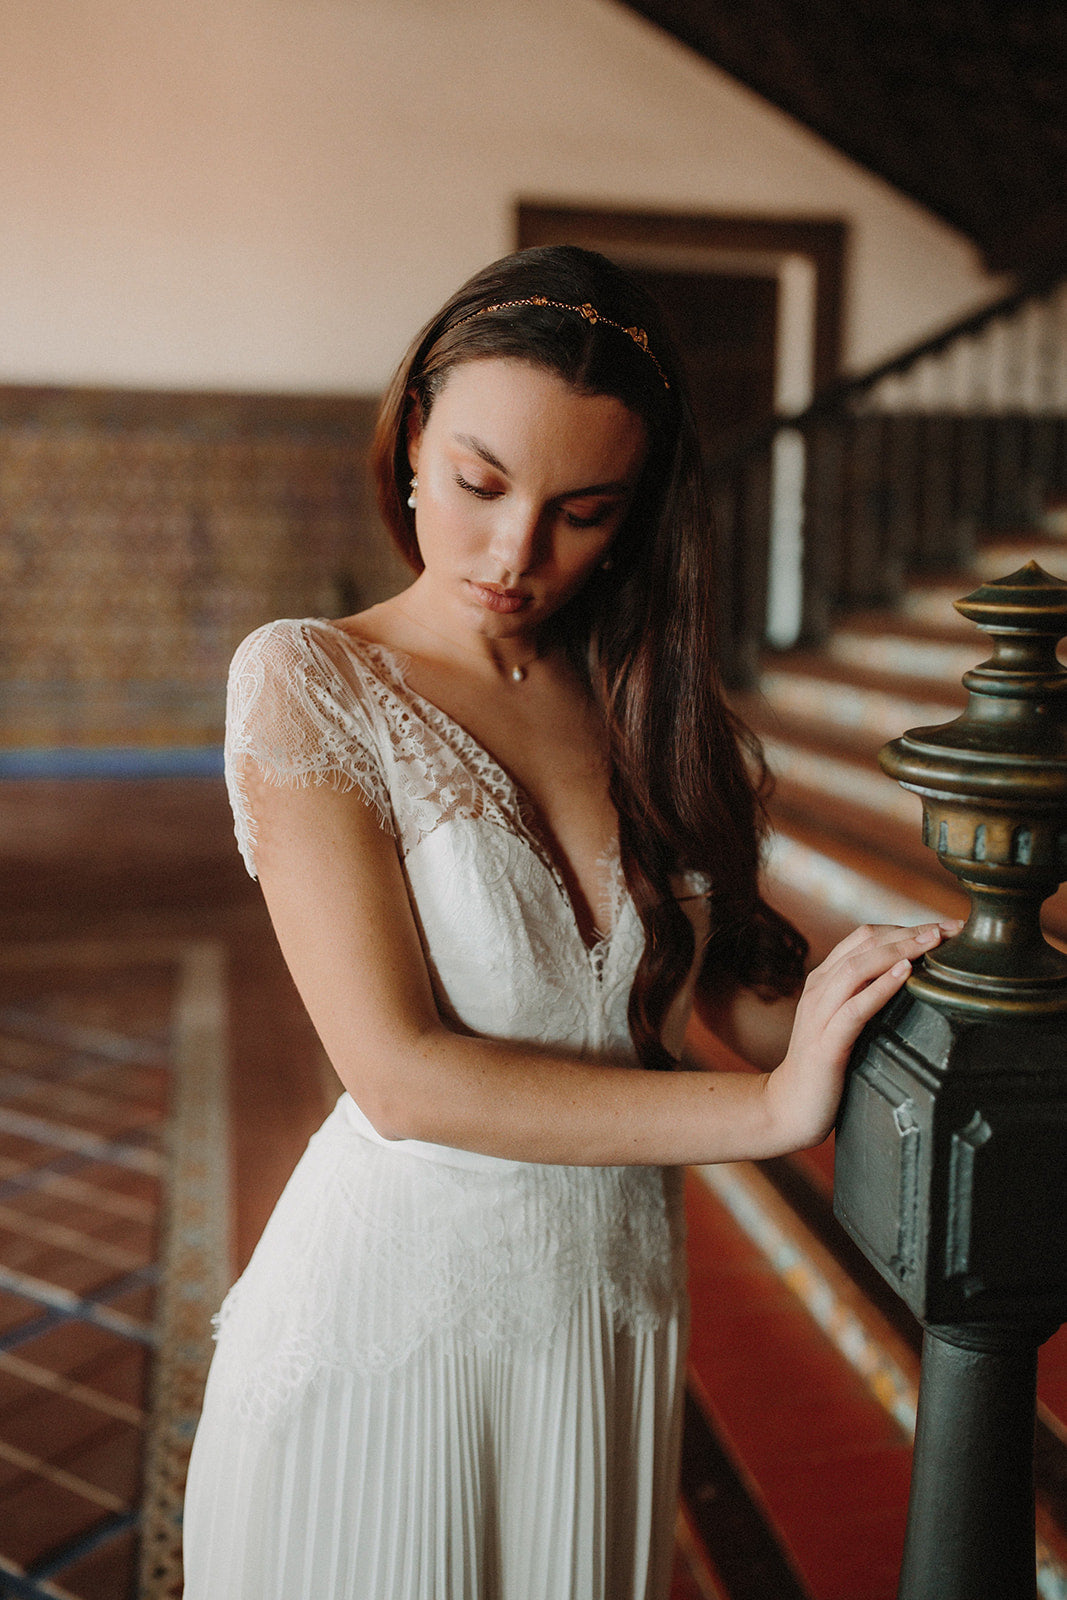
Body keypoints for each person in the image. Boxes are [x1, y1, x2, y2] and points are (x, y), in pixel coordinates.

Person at [181, 245, 954, 1600]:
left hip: (607, 1314)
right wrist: (767, 1112)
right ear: (414, 432)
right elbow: (401, 1076)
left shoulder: (634, 691)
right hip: (394, 1324)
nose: (516, 553)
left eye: (584, 510)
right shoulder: (311, 678)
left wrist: (919, 984)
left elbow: (710, 986)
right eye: (481, 483)